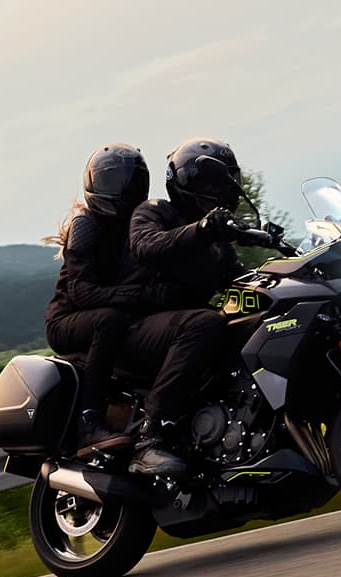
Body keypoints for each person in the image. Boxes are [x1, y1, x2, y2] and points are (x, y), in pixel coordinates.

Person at [117, 138, 249, 477]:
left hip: (176, 330)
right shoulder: (156, 211)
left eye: (229, 180)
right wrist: (201, 230)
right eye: (216, 181)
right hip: (136, 326)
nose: (225, 189)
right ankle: (150, 439)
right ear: (190, 181)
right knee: (204, 324)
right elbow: (146, 245)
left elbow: (237, 280)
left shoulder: (216, 240)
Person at [44, 144, 164, 455]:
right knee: (109, 320)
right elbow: (82, 294)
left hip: (107, 313)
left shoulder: (136, 223)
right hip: (66, 320)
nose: (122, 187)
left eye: (130, 179)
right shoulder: (86, 226)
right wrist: (135, 296)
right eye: (113, 180)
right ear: (95, 184)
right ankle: (89, 421)